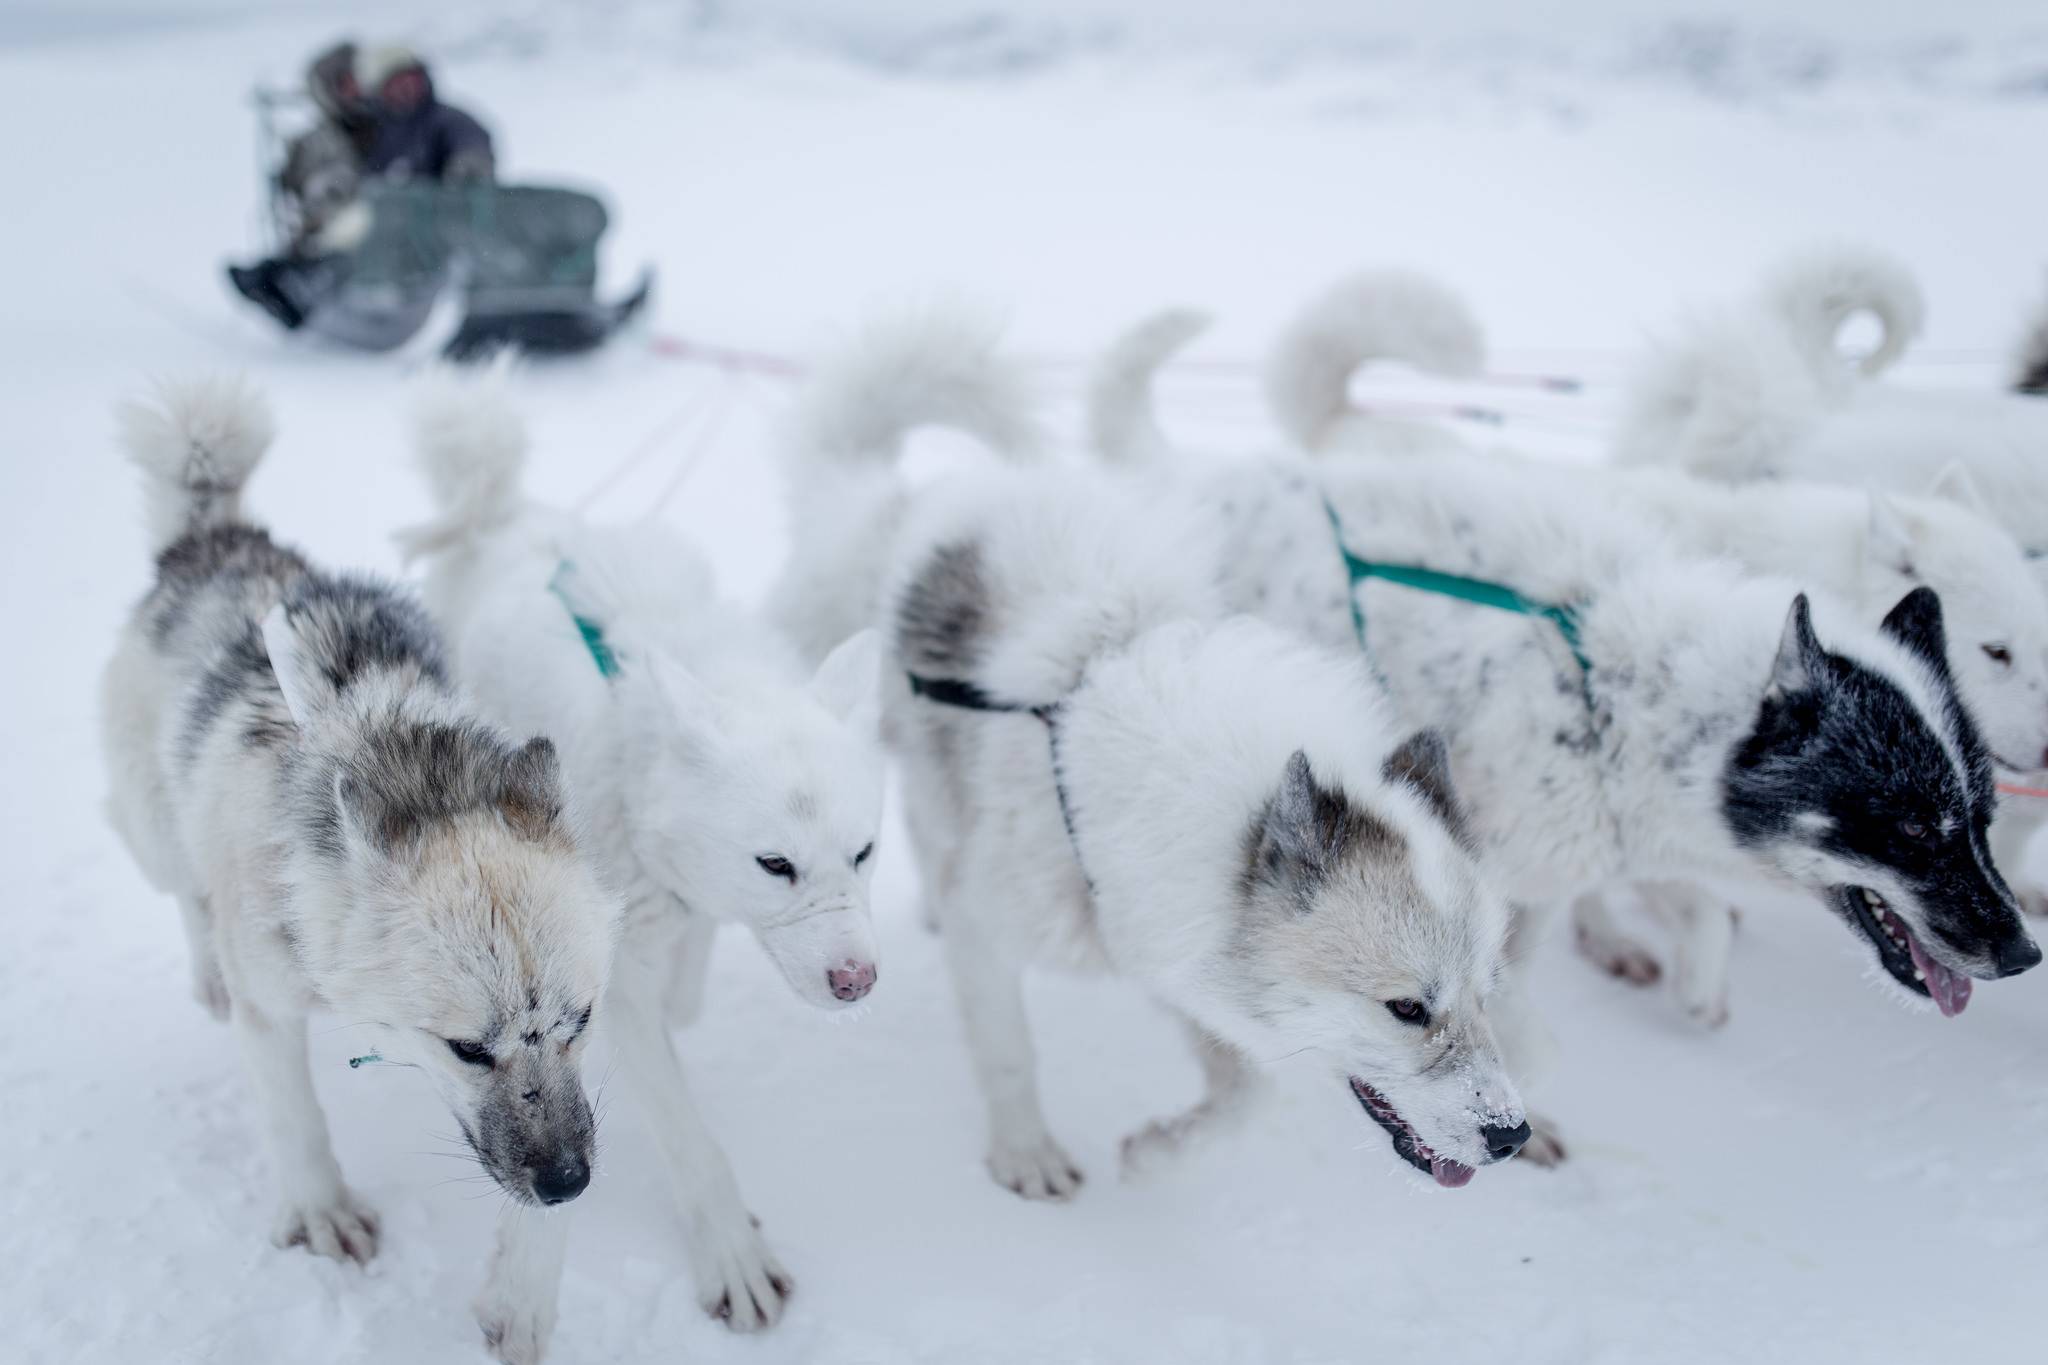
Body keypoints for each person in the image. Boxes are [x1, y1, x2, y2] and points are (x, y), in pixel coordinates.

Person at [228, 42, 495, 330]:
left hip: (434, 231)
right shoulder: (381, 130)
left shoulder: (447, 121)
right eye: (395, 85)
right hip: (386, 233)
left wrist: (466, 173)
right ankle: (294, 281)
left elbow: (472, 149)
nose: (405, 91)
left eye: (411, 81)